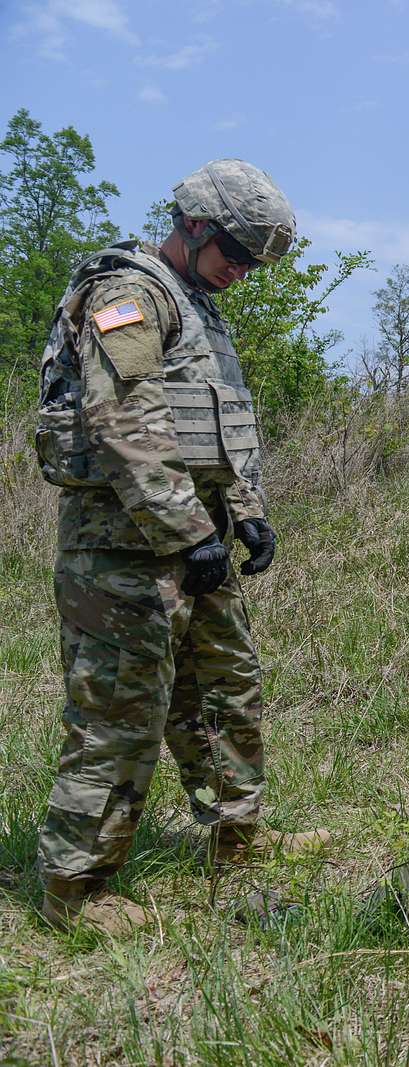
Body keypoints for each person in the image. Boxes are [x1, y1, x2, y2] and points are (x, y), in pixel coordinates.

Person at [33, 159, 327, 935]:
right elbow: (122, 423)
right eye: (235, 249)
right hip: (123, 549)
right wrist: (190, 531)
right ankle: (75, 887)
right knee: (120, 711)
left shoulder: (199, 304)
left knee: (225, 686)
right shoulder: (127, 293)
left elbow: (215, 430)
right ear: (195, 224)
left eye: (252, 259)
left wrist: (247, 512)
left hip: (195, 540)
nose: (241, 269)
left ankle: (239, 839)